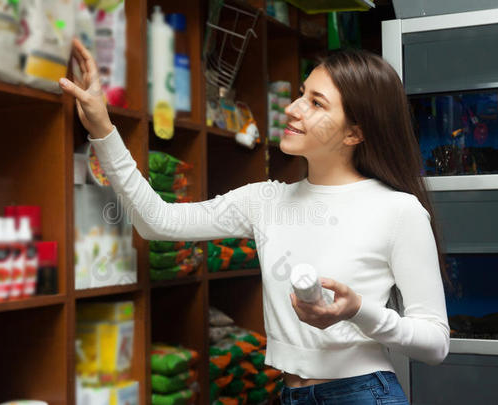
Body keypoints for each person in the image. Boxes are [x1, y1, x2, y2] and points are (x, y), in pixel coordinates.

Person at [60, 38, 450, 405]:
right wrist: (102, 128)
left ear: (354, 133)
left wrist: (356, 310)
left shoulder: (398, 210)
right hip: (289, 393)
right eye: (301, 94)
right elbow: (157, 221)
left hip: (363, 394)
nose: (294, 108)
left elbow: (435, 342)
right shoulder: (265, 199)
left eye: (316, 103)